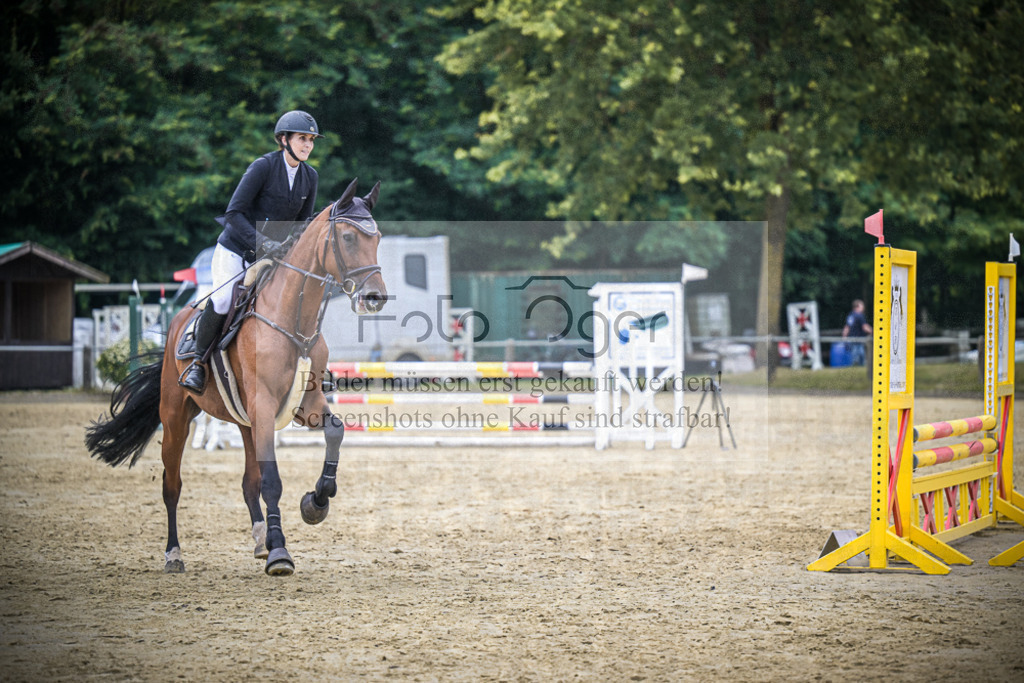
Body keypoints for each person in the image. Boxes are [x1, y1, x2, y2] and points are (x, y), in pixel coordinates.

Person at [179, 110, 324, 393]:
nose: (307, 145)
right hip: (236, 251)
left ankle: (312, 368)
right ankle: (198, 362)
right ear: (284, 139)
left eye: (311, 140)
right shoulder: (263, 167)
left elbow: (302, 223)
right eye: (302, 138)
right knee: (222, 300)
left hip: (272, 258)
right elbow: (233, 213)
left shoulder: (310, 177)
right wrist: (262, 243)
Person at [842, 299, 872, 366]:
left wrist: (844, 336)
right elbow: (864, 327)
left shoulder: (851, 315)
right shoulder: (860, 315)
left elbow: (847, 327)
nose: (863, 307)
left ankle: (856, 368)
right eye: (862, 306)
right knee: (860, 357)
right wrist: (873, 331)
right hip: (859, 340)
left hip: (852, 339)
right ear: (858, 307)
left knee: (854, 356)